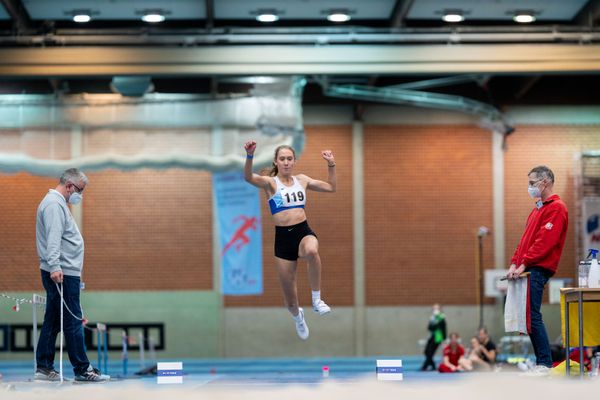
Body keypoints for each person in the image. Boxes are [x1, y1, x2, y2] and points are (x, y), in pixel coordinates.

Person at [243, 141, 336, 340]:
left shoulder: (302, 180)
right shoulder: (270, 183)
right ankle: (298, 317)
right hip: (283, 238)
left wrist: (331, 164)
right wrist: (249, 156)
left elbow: (331, 187)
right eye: (282, 159)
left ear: (294, 161)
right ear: (276, 162)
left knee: (312, 251)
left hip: (303, 231)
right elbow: (248, 177)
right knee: (290, 301)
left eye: (289, 159)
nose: (286, 162)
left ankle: (317, 300)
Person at [35, 168, 108, 382]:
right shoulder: (54, 204)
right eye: (79, 190)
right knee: (74, 319)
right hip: (62, 273)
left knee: (54, 320)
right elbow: (53, 238)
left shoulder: (56, 204)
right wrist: (56, 266)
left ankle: (44, 367)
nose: (80, 195)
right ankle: (82, 370)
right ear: (69, 186)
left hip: (64, 271)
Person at [507, 165, 568, 376]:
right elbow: (524, 242)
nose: (530, 187)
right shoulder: (538, 209)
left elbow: (545, 243)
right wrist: (514, 263)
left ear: (545, 182)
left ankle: (545, 363)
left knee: (533, 315)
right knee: (527, 316)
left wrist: (524, 263)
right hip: (526, 267)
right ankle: (541, 362)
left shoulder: (557, 208)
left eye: (532, 183)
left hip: (538, 268)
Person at [420, 303, 447, 371]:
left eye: (437, 308)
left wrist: (444, 339)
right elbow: (429, 328)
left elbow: (443, 328)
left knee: (430, 352)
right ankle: (433, 366)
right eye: (434, 308)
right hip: (432, 336)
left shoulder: (442, 317)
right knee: (426, 352)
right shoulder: (432, 317)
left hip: (438, 337)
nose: (435, 310)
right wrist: (433, 322)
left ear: (440, 309)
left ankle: (424, 366)